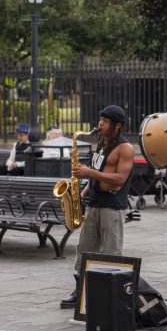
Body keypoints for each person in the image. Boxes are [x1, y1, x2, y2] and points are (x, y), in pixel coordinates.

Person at [60, 105, 135, 309]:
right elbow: (95, 172)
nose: (100, 123)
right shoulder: (101, 143)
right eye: (100, 119)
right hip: (93, 205)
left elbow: (119, 179)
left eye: (105, 121)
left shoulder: (125, 148)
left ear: (117, 125)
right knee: (84, 250)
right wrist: (80, 197)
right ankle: (80, 291)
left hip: (112, 207)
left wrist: (89, 173)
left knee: (111, 253)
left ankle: (112, 297)